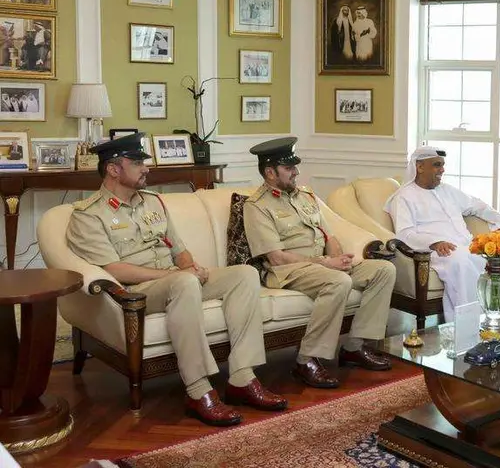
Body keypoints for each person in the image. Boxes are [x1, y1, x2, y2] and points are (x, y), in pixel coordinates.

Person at [64, 133, 287, 426]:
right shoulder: (88, 215)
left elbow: (179, 250)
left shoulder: (153, 203)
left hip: (176, 281)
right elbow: (115, 270)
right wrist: (176, 275)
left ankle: (242, 378)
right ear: (113, 169)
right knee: (183, 282)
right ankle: (198, 391)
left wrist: (191, 266)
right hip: (137, 291)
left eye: (145, 162)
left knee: (244, 274)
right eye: (138, 162)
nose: (146, 168)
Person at [244, 137, 396, 389]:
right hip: (288, 270)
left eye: (295, 167)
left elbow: (329, 236)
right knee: (338, 281)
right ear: (270, 172)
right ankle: (306, 361)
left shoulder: (305, 196)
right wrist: (326, 263)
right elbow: (276, 257)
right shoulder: (257, 206)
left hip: (323, 265)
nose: (297, 172)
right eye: (289, 169)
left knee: (383, 270)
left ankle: (354, 347)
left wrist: (338, 257)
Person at [383, 146, 500, 321]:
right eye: (437, 165)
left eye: (442, 165)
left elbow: (477, 205)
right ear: (419, 167)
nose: (442, 170)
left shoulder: (448, 190)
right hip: (439, 252)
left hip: (467, 246)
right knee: (461, 261)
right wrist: (434, 242)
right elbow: (405, 234)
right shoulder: (404, 197)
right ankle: (468, 324)